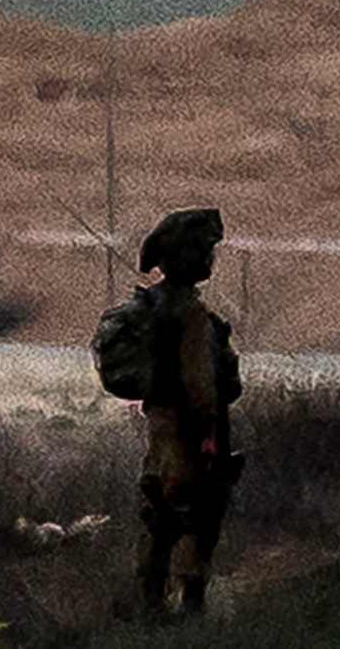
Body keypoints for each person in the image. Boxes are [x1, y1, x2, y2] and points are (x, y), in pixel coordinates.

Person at [128, 207, 243, 620]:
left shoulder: (153, 306)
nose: (211, 258)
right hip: (190, 434)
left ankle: (149, 605)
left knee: (158, 521)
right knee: (195, 519)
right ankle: (188, 610)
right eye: (206, 250)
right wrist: (210, 433)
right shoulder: (190, 313)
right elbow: (200, 382)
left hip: (160, 430)